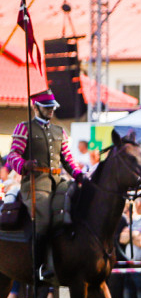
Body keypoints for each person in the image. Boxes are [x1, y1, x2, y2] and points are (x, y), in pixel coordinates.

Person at [5, 90, 86, 282]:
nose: (51, 111)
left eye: (52, 107)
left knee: (77, 205)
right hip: (35, 183)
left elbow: (68, 160)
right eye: (46, 107)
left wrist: (79, 175)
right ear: (35, 107)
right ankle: (39, 267)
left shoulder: (60, 131)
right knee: (42, 219)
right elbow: (13, 155)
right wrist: (23, 165)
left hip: (59, 182)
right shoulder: (23, 128)